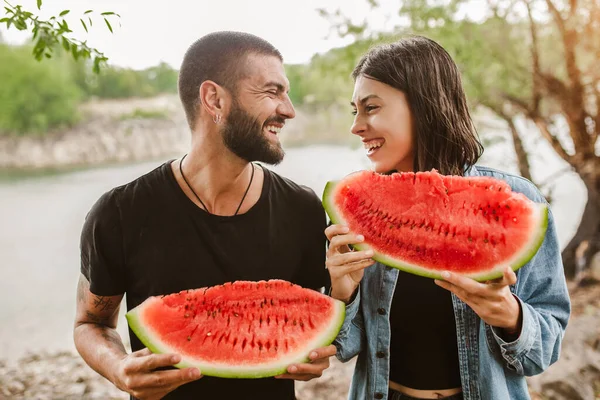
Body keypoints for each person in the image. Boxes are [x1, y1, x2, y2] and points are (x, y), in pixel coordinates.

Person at [74, 31, 335, 400]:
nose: (289, 109)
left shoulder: (304, 209)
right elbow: (91, 322)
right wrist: (118, 367)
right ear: (214, 98)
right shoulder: (119, 213)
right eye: (272, 91)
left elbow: (313, 315)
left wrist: (315, 351)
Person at [325, 36, 571, 400]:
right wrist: (342, 293)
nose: (356, 126)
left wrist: (510, 315)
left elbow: (543, 353)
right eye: (354, 111)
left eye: (371, 108)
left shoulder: (520, 201)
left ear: (423, 106)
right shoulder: (359, 211)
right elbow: (344, 347)